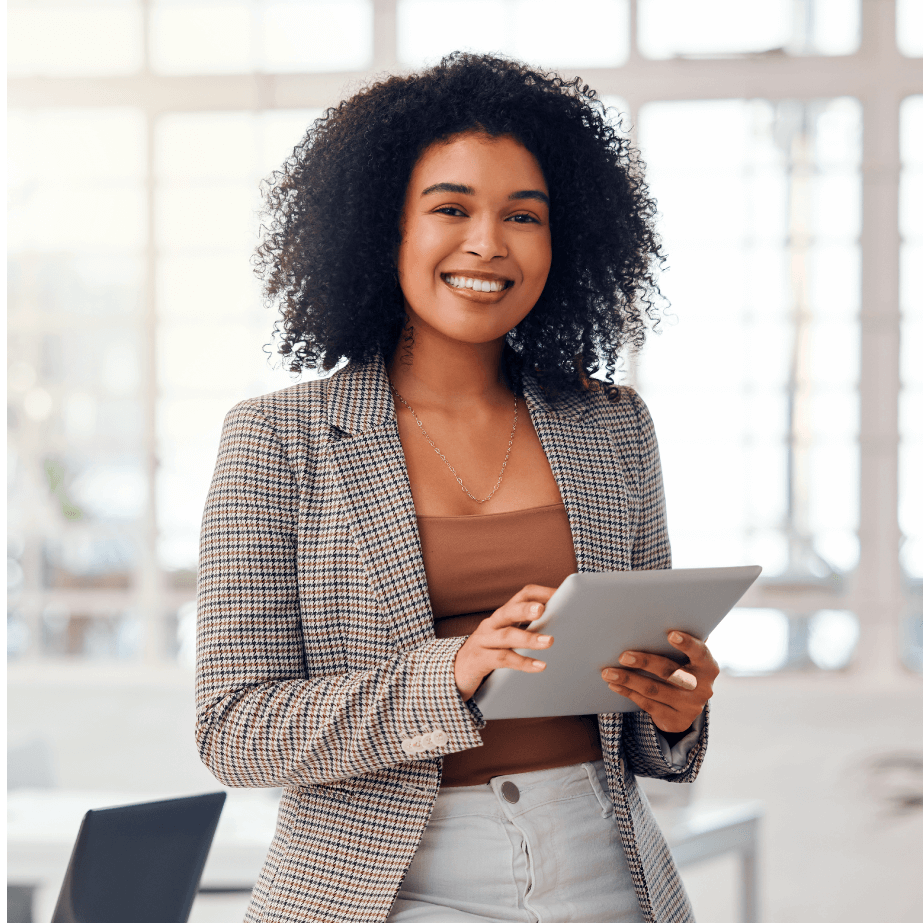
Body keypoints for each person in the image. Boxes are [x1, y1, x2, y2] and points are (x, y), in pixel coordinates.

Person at [194, 52, 719, 923]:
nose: (488, 243)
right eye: (451, 209)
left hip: (605, 870)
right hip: (386, 886)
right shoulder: (277, 438)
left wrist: (674, 709)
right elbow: (233, 727)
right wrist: (455, 670)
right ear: (382, 226)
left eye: (524, 215)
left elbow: (646, 719)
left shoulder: (614, 424)